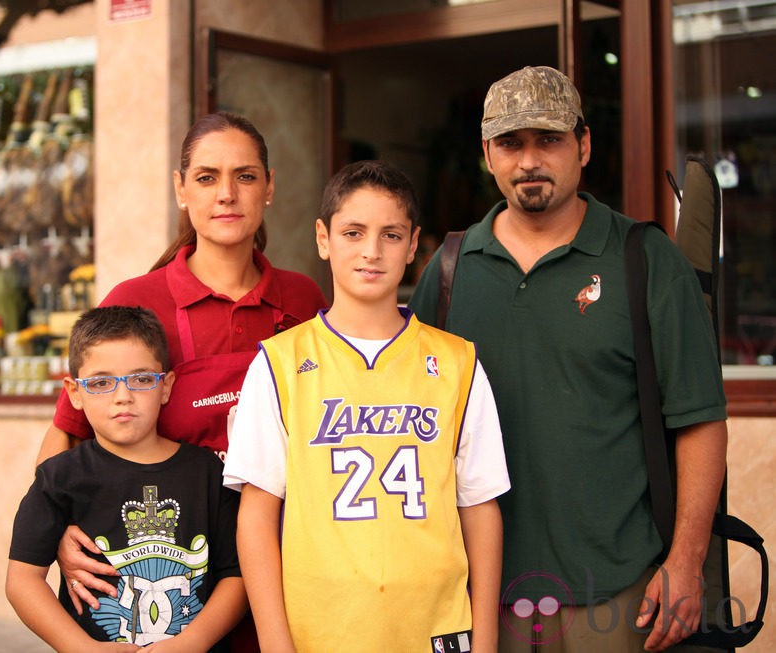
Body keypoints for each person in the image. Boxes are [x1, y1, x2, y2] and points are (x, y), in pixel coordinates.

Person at [408, 66, 728, 653]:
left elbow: (701, 421)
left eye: (548, 140)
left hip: (616, 591)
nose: (529, 160)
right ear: (487, 153)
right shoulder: (450, 272)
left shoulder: (646, 260)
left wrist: (686, 561)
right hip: (481, 592)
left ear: (583, 145)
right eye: (511, 143)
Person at [35, 112, 327, 644]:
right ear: (181, 189)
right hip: (168, 582)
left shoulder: (304, 299)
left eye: (245, 176)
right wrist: (59, 536)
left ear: (269, 187)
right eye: (207, 177)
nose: (226, 195)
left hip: (289, 569)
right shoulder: (135, 300)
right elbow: (65, 432)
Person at [224, 160, 511, 653]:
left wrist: (484, 641)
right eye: (353, 232)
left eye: (391, 235)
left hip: (436, 629)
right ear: (323, 238)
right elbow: (256, 515)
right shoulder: (280, 363)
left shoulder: (457, 362)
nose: (371, 252)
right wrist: (275, 642)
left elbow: (480, 508)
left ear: (415, 245)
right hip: (322, 633)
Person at [6, 306, 246, 652]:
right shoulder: (58, 478)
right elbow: (22, 580)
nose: (123, 396)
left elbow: (235, 575)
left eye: (142, 379)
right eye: (101, 382)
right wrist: (82, 648)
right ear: (74, 392)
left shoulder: (208, 473)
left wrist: (192, 643)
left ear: (166, 386)